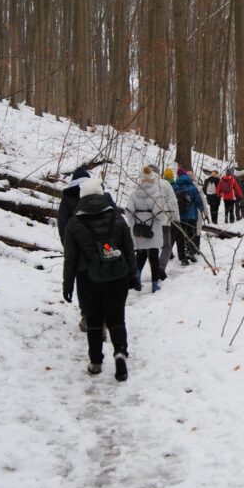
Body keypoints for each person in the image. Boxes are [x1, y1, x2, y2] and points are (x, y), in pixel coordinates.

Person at [62, 178, 137, 381]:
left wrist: (67, 284)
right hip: (117, 275)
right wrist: (133, 274)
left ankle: (95, 362)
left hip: (88, 278)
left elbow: (70, 258)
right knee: (116, 317)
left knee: (94, 320)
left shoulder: (74, 223)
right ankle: (120, 352)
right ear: (101, 194)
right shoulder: (117, 217)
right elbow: (129, 249)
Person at [126, 166, 168, 292]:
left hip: (139, 231)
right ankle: (155, 285)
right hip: (153, 231)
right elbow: (160, 215)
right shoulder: (156, 195)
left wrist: (135, 224)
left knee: (140, 255)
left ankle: (137, 279)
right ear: (152, 180)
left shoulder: (134, 195)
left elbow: (128, 212)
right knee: (153, 257)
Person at [148, 163, 179, 279]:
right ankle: (160, 268)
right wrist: (176, 219)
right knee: (166, 246)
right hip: (164, 221)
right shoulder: (165, 183)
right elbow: (173, 202)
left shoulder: (142, 185)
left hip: (148, 222)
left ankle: (154, 270)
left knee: (152, 247)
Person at [171, 167, 205, 264]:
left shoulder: (175, 187)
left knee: (180, 237)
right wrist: (201, 210)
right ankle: (190, 251)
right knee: (191, 233)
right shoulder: (192, 187)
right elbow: (199, 201)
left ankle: (182, 258)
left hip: (179, 216)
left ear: (177, 176)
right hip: (192, 216)